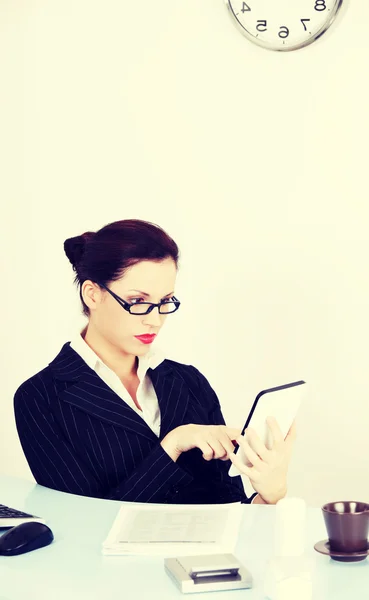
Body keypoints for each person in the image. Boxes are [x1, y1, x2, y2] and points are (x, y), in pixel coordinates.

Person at [14, 219, 296, 505]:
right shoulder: (40, 398)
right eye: (138, 300)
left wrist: (268, 496)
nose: (155, 319)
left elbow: (227, 509)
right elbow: (85, 526)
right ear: (93, 294)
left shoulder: (189, 382)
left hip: (206, 552)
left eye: (166, 301)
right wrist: (173, 444)